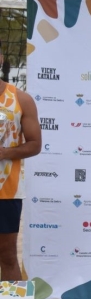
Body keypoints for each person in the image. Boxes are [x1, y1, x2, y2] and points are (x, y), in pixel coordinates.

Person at [0, 41, 42, 281]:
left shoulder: (21, 99)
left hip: (6, 192)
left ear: (2, 58)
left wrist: (6, 153)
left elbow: (35, 143)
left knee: (6, 256)